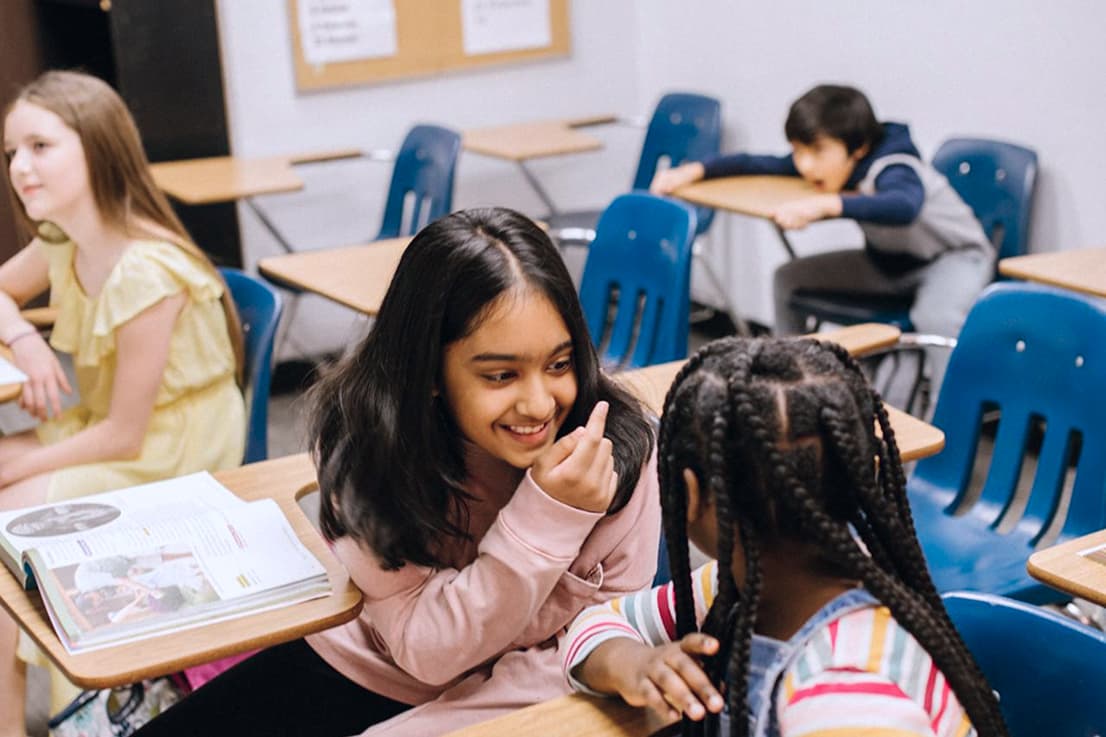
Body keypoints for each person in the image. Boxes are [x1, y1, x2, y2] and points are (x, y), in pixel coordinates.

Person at [133, 207, 661, 737]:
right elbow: (429, 653)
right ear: (428, 372)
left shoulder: (621, 452)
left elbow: (593, 646)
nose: (540, 403)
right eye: (501, 375)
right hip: (369, 668)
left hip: (522, 695)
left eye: (559, 364)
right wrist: (546, 518)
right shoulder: (372, 450)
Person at [561, 337, 1009, 737]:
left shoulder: (845, 699)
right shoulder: (734, 587)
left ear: (689, 495)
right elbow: (588, 626)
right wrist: (634, 663)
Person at [0, 70, 246, 735]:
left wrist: (21, 467)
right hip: (117, 427)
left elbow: (126, 436)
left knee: (10, 514)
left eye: (40, 147)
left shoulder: (145, 270)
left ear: (97, 147)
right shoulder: (65, 241)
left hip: (172, 446)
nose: (19, 167)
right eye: (12, 152)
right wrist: (24, 340)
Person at [651, 84, 993, 345]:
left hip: (954, 259)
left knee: (935, 317)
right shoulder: (828, 164)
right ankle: (790, 380)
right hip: (888, 264)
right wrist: (692, 171)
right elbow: (756, 162)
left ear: (858, 148)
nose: (804, 164)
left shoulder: (897, 166)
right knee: (788, 279)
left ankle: (945, 411)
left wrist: (827, 204)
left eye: (817, 151)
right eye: (798, 150)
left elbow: (904, 206)